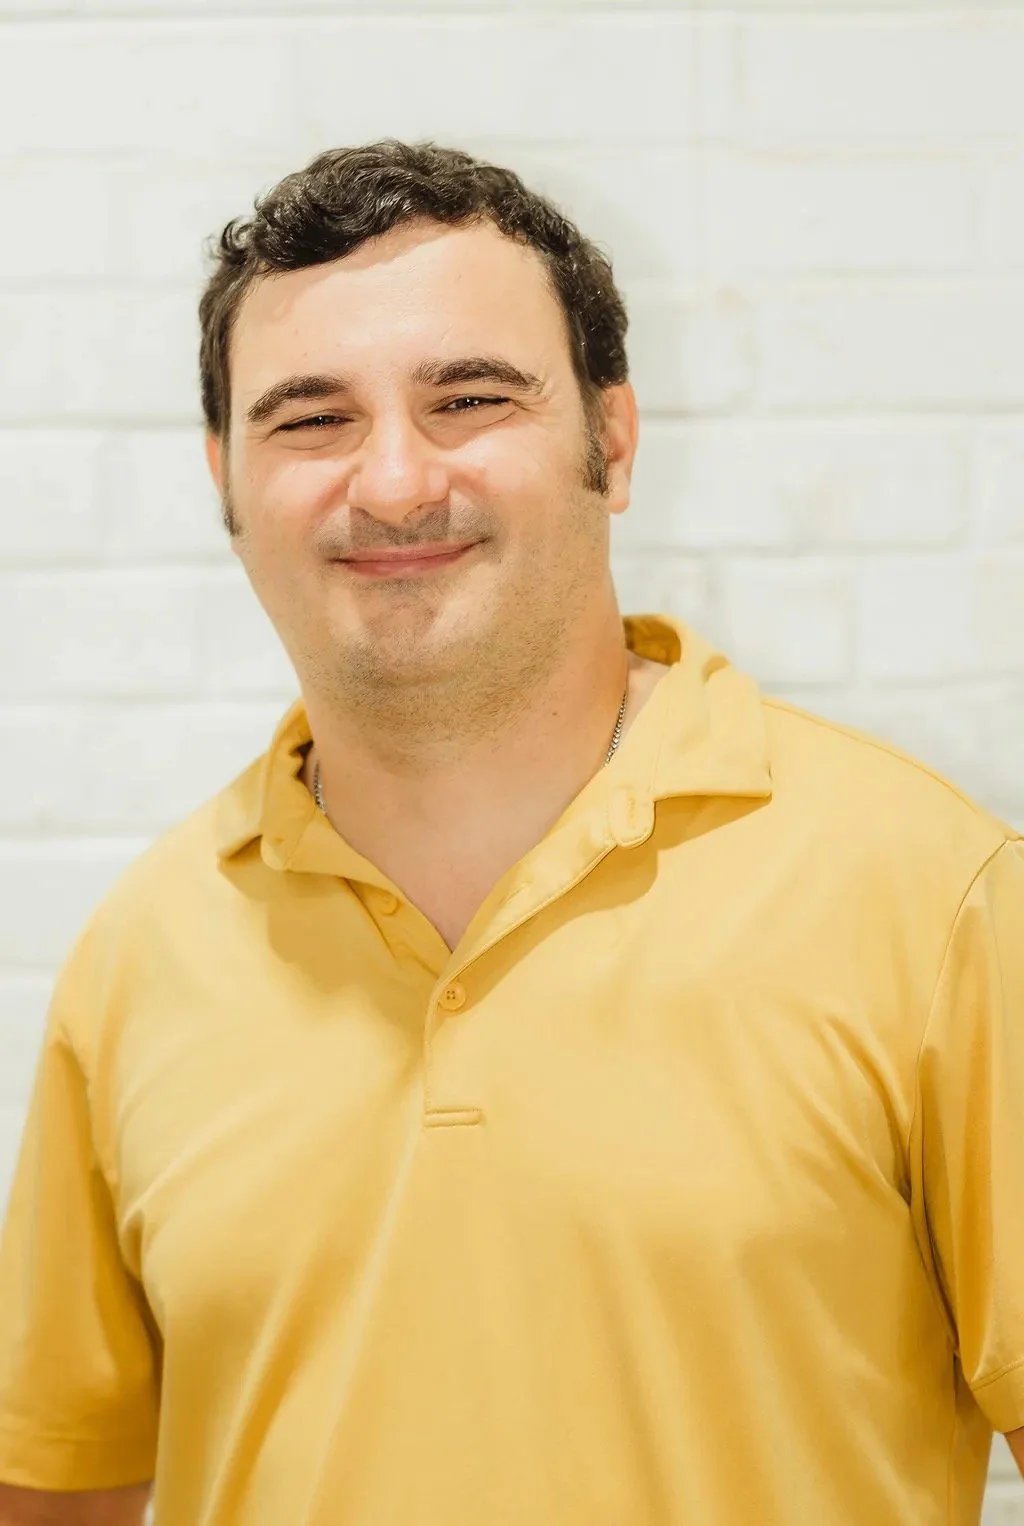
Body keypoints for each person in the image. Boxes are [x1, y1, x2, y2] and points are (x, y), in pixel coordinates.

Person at [0, 139, 1022, 1526]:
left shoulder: (938, 897)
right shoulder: (143, 954)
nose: (398, 481)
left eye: (468, 398)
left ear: (612, 439)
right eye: (310, 419)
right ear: (224, 480)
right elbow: (55, 1490)